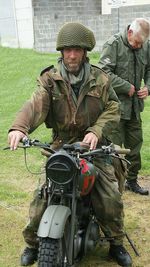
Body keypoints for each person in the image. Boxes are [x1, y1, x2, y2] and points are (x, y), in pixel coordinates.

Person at [8, 22, 132, 267]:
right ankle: (34, 243)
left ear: (85, 51)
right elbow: (35, 104)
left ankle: (116, 243)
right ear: (61, 52)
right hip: (61, 146)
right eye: (67, 50)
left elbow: (114, 107)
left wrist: (96, 131)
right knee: (41, 196)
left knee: (109, 198)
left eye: (76, 49)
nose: (72, 55)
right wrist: (19, 127)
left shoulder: (101, 79)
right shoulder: (49, 80)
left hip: (93, 149)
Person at [99, 18, 150, 195]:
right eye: (136, 42)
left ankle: (132, 181)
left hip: (135, 108)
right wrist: (125, 86)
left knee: (135, 146)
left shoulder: (145, 45)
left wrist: (148, 88)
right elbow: (103, 74)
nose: (138, 46)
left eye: (141, 44)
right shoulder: (113, 45)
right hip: (115, 108)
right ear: (129, 33)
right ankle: (110, 185)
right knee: (113, 149)